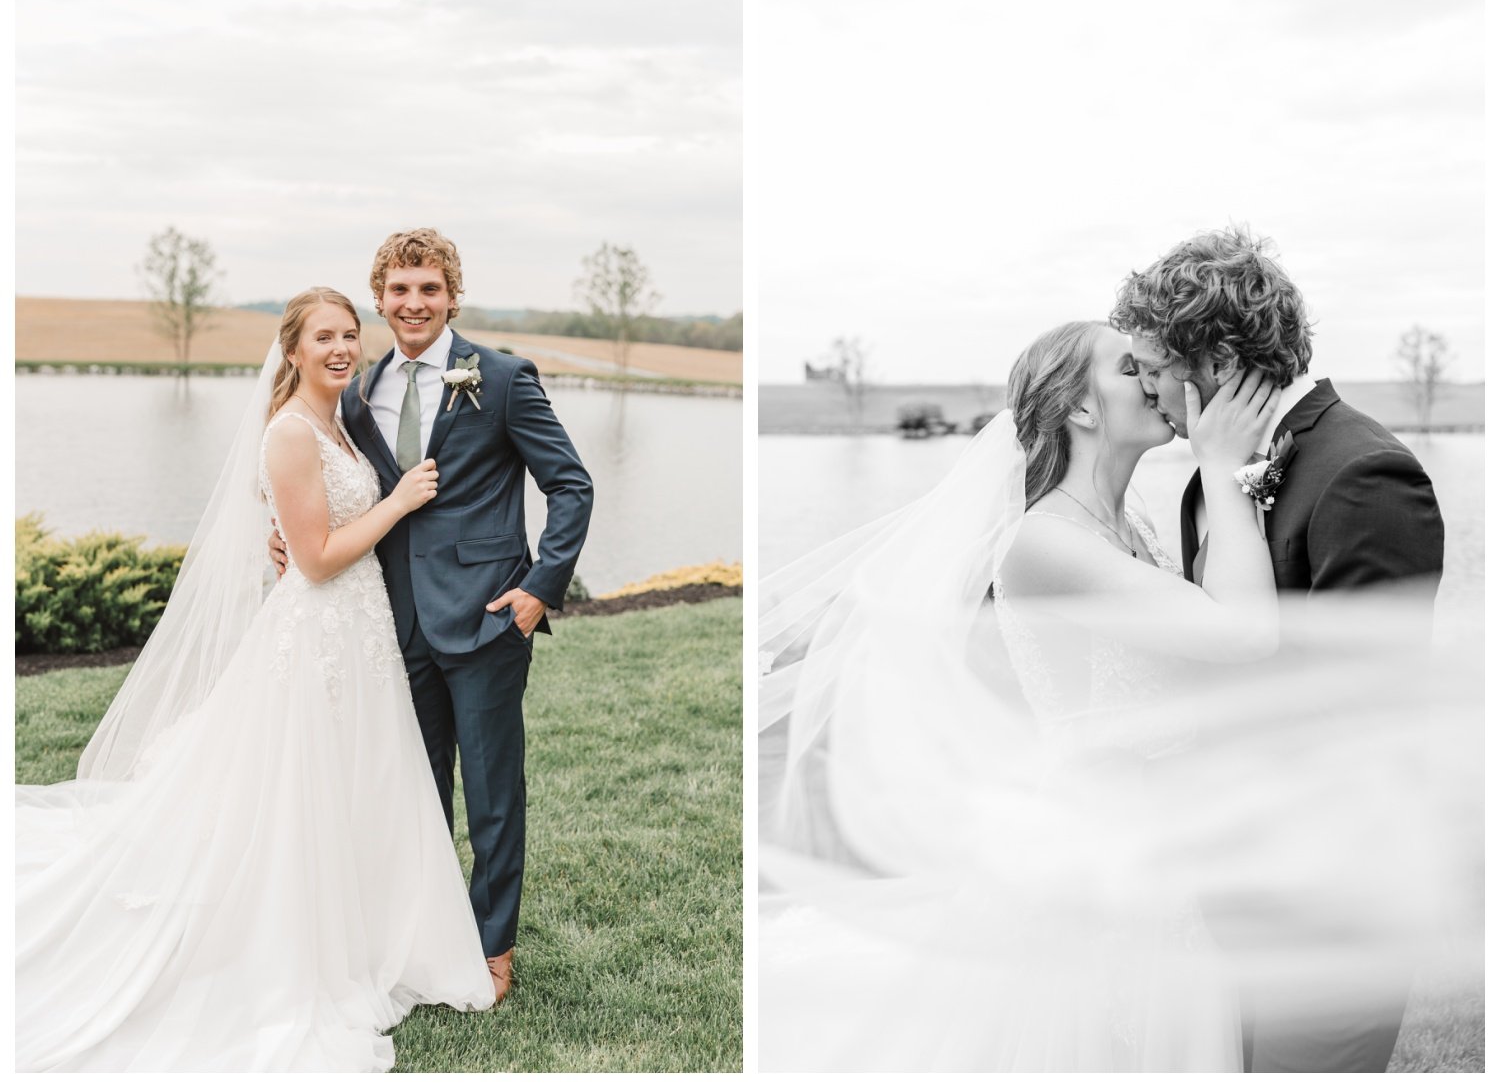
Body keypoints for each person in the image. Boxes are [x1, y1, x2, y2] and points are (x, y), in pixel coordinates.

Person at [758, 316, 1466, 1072]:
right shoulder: (1043, 541)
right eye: (1132, 369)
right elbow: (1242, 636)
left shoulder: (1135, 529)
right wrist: (1227, 464)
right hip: (1098, 884)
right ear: (1082, 408)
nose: (1159, 378)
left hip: (1161, 868)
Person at [16, 288, 495, 1072]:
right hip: (316, 637)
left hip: (360, 631)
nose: (343, 348)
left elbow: (307, 534)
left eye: (350, 335)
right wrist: (401, 502)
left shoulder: (341, 421)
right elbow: (314, 559)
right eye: (324, 338)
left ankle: (377, 931)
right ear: (294, 349)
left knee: (361, 781)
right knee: (297, 793)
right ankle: (303, 942)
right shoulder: (289, 432)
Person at [1110, 226, 1446, 1073]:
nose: (1146, 389)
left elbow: (1370, 707)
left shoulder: (1365, 474)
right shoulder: (1210, 475)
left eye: (1152, 366)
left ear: (1215, 358)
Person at [270, 228, 593, 1004]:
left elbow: (572, 486)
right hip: (389, 624)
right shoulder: (355, 392)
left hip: (486, 620)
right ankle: (414, 936)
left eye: (429, 289)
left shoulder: (505, 378)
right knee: (407, 794)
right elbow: (326, 482)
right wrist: (285, 540)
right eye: (399, 291)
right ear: (380, 299)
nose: (414, 304)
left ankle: (491, 948)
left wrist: (539, 589)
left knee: (491, 796)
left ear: (451, 295)